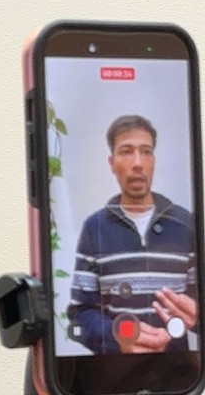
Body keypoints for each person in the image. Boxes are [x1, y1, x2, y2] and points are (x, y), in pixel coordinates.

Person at [67, 114, 197, 355]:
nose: (137, 163)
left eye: (146, 152)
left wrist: (197, 316)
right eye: (126, 152)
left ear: (153, 161)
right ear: (112, 163)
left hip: (178, 373)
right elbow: (80, 314)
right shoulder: (94, 228)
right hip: (115, 372)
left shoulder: (186, 224)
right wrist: (117, 337)